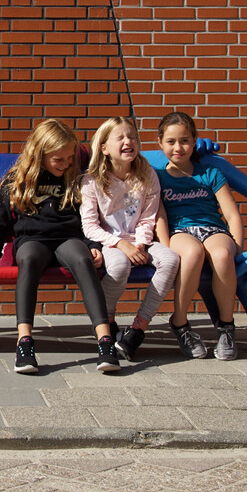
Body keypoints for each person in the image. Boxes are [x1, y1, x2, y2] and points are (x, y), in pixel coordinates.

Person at [0, 119, 119, 374]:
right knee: (28, 260)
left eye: (70, 158)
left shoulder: (76, 177)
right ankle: (24, 342)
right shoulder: (16, 180)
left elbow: (89, 217)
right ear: (40, 155)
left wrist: (93, 244)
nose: (66, 164)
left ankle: (105, 341)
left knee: (83, 260)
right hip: (32, 240)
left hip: (68, 239)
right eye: (58, 159)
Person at [80, 117, 179, 362]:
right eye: (121, 138)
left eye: (132, 136)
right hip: (109, 241)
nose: (128, 142)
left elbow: (149, 217)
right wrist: (121, 244)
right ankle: (109, 321)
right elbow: (89, 227)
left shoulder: (147, 175)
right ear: (104, 148)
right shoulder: (91, 181)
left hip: (139, 240)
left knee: (170, 260)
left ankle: (138, 329)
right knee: (119, 265)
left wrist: (142, 244)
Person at [155, 111, 244, 360]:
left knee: (223, 254)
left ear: (194, 140)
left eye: (184, 140)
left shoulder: (209, 173)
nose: (178, 147)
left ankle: (226, 326)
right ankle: (180, 322)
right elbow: (157, 216)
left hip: (212, 228)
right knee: (192, 254)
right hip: (179, 231)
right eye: (171, 141)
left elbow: (232, 214)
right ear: (160, 142)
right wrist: (164, 246)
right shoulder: (158, 178)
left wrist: (237, 244)